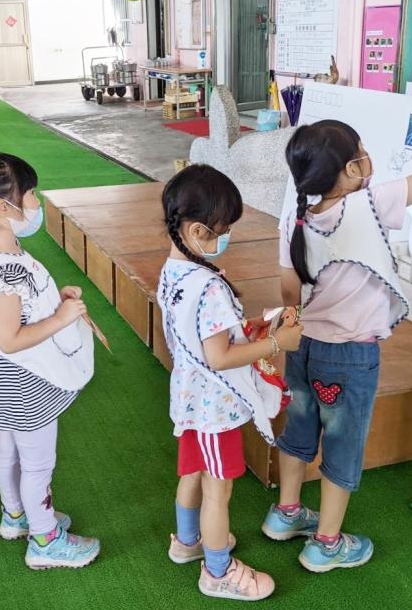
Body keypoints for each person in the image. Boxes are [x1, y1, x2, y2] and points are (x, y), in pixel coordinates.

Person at [261, 85, 412, 572]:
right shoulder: (367, 204)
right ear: (351, 169)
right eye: (362, 153)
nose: (368, 159)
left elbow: (289, 292)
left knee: (299, 429)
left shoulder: (295, 216)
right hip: (350, 358)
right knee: (343, 446)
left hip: (304, 346)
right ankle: (327, 543)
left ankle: (286, 514)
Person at [0, 153, 100, 570]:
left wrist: (54, 302)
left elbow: (20, 313)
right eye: (29, 194)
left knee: (8, 450)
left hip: (8, 385)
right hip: (29, 385)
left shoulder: (0, 258)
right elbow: (9, 338)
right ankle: (44, 539)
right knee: (37, 464)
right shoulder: (5, 274)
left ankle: (16, 516)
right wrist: (62, 318)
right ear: (0, 207)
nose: (35, 201)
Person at [157, 164, 302, 601]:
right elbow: (219, 357)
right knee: (218, 491)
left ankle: (187, 543)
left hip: (188, 400)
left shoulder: (174, 271)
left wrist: (249, 328)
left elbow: (209, 338)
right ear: (198, 229)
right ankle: (217, 571)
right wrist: (276, 342)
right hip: (215, 407)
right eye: (223, 230)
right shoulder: (209, 286)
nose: (226, 238)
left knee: (192, 473)